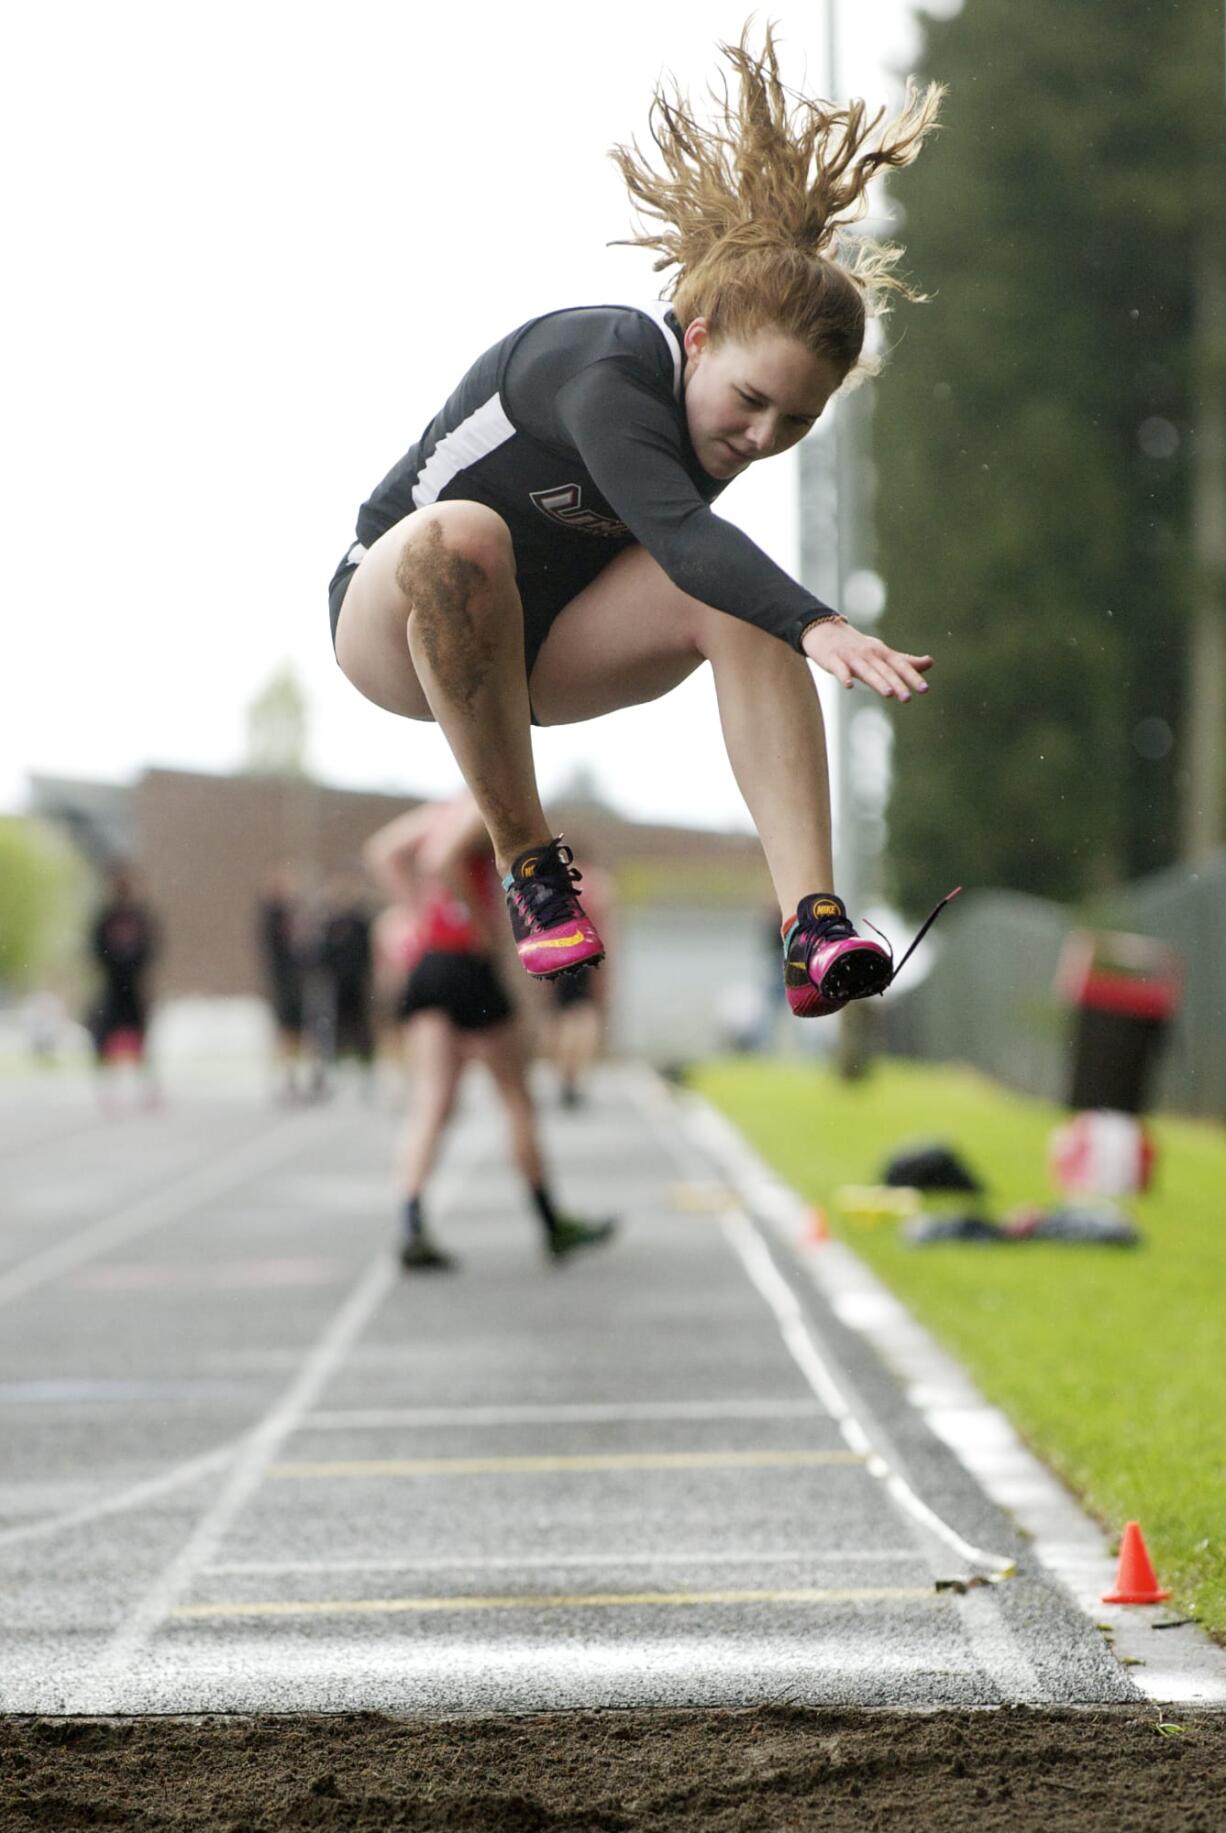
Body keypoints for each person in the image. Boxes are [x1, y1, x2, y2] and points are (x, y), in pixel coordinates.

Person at [330, 26, 945, 1016]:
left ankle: (813, 925)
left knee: (736, 599)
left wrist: (785, 618)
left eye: (797, 420)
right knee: (471, 538)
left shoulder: (727, 420)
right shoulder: (605, 367)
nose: (761, 435)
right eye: (748, 400)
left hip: (543, 649)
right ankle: (530, 864)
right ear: (695, 339)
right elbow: (678, 531)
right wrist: (817, 621)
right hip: (396, 623)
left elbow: (700, 565)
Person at [364, 795, 617, 1271]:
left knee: (433, 1101)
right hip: (465, 961)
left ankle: (411, 1223)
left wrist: (416, 909)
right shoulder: (482, 807)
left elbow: (384, 850)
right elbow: (439, 860)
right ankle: (550, 1223)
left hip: (429, 962)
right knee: (516, 1097)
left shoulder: (440, 812)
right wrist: (480, 922)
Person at [86, 864, 159, 1107]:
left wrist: (133, 967)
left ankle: (146, 1090)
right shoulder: (105, 918)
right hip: (113, 987)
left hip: (135, 987)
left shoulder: (140, 917)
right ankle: (108, 1091)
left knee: (140, 1039)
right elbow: (96, 949)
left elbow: (151, 948)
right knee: (108, 1038)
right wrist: (116, 966)